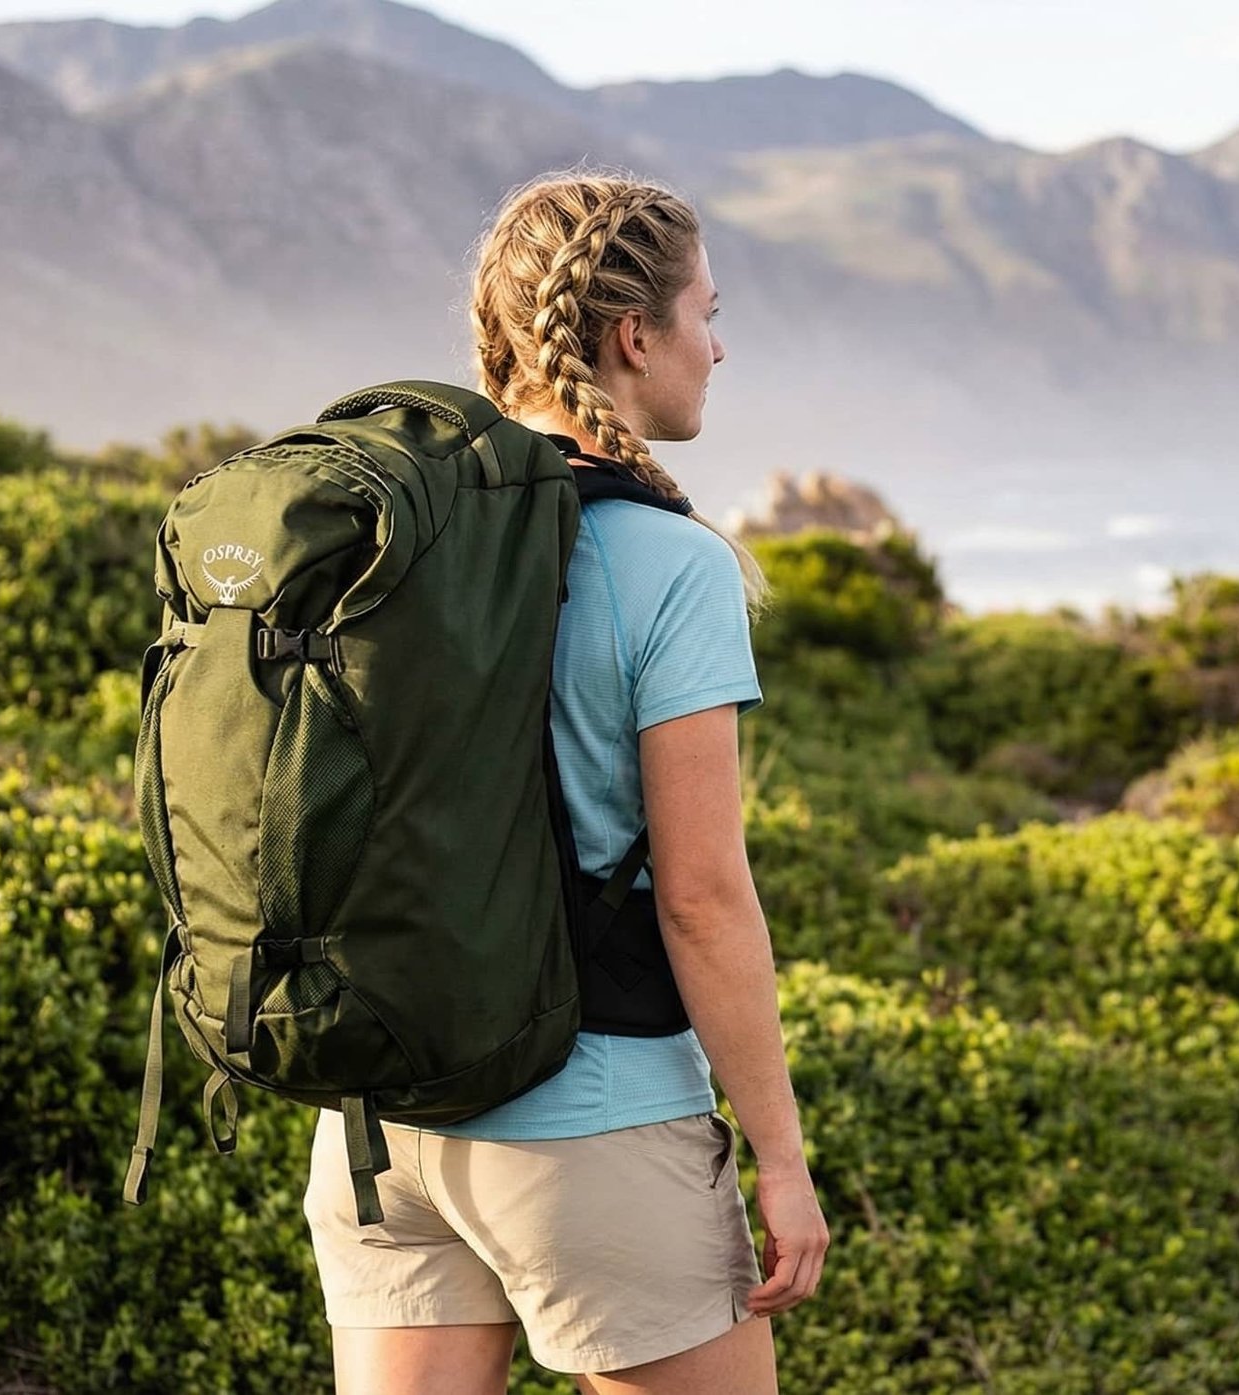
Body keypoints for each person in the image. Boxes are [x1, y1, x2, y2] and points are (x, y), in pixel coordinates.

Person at [302, 167, 830, 1394]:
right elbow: (700, 899)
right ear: (634, 337)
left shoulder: (388, 533)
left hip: (385, 1126)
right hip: (592, 1124)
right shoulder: (669, 563)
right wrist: (783, 1157)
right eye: (707, 312)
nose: (720, 345)